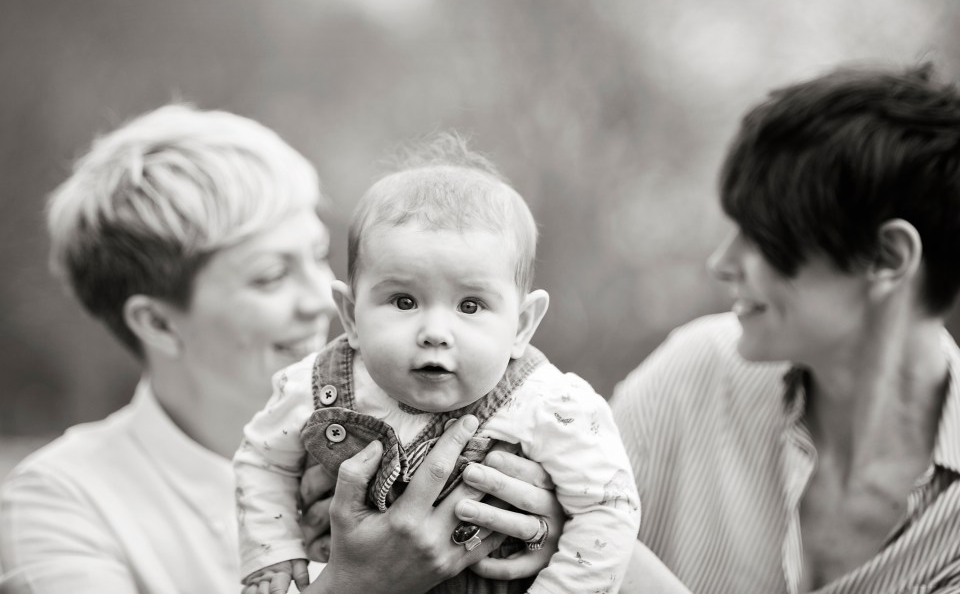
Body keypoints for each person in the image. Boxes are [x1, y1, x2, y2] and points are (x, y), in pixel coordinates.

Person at [0, 105, 560, 594]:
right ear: (158, 324)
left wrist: (558, 528)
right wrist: (359, 587)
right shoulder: (60, 506)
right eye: (270, 277)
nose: (322, 299)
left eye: (317, 255)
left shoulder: (490, 413)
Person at [233, 136, 641, 594]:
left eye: (470, 305)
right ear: (350, 315)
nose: (435, 331)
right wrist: (272, 548)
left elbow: (608, 505)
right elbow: (263, 459)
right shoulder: (315, 387)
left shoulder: (549, 404)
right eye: (404, 301)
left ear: (522, 325)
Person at [611, 63, 960, 593]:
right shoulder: (693, 376)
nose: (722, 263)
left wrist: (616, 558)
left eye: (763, 236)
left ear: (888, 257)